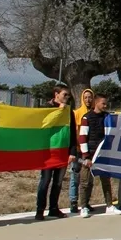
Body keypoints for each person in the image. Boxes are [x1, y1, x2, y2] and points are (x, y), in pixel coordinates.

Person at [77, 93, 121, 218]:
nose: (105, 106)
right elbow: (82, 138)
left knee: (106, 181)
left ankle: (109, 205)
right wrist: (86, 156)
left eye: (106, 103)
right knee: (85, 182)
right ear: (96, 103)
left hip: (103, 154)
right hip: (90, 155)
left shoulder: (107, 117)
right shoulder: (86, 118)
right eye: (103, 103)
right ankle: (84, 207)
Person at [36, 84, 76, 221]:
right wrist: (59, 110)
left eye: (68, 95)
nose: (67, 97)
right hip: (48, 151)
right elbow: (45, 124)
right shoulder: (45, 107)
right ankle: (40, 209)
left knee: (58, 182)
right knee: (45, 181)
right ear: (56, 94)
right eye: (65, 94)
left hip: (62, 151)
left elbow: (72, 131)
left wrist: (72, 152)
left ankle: (53, 208)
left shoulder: (69, 111)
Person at [69, 88, 94, 213]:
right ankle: (73, 202)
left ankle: (86, 202)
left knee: (89, 179)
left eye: (90, 97)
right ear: (82, 99)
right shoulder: (77, 113)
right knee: (75, 177)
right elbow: (74, 133)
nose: (88, 100)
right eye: (85, 97)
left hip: (90, 152)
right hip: (79, 151)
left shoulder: (94, 113)